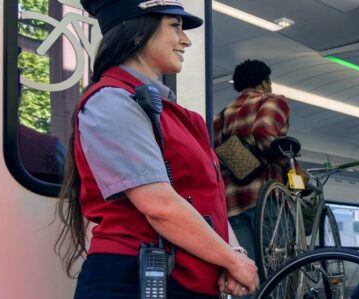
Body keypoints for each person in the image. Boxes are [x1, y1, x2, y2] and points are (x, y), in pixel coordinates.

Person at [54, 1, 257, 297]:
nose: (185, 40)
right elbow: (159, 206)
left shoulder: (178, 116)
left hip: (179, 279)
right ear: (138, 32)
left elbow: (208, 201)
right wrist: (231, 259)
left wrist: (234, 252)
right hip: (130, 279)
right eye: (175, 27)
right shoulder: (111, 100)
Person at [213, 59, 291, 275]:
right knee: (278, 271)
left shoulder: (219, 118)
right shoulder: (272, 101)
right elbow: (264, 131)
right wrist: (291, 167)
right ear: (265, 82)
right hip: (266, 199)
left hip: (232, 204)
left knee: (246, 273)